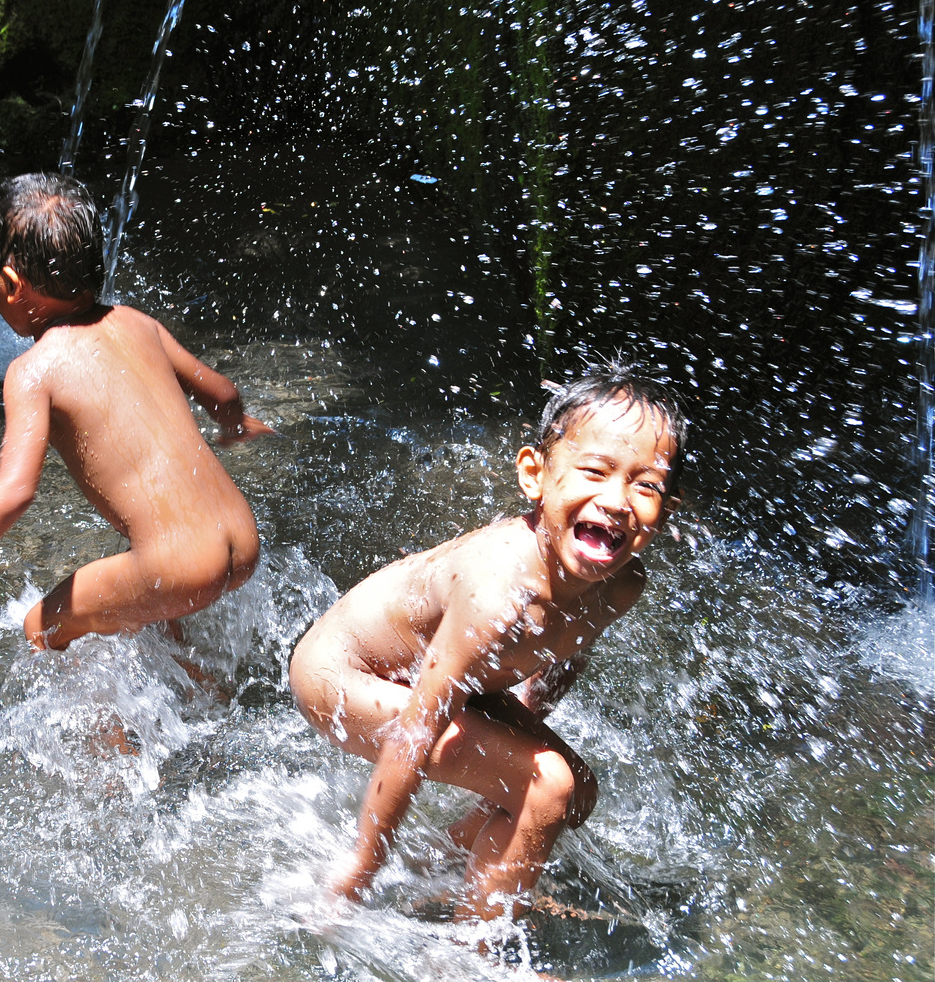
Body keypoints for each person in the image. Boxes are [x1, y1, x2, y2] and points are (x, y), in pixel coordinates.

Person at [289, 366, 686, 919]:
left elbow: (568, 645)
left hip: (441, 675)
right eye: (594, 471)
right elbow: (415, 730)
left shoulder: (620, 585)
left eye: (646, 485)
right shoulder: (498, 593)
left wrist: (527, 720)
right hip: (342, 676)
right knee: (547, 784)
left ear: (666, 508)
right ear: (535, 476)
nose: (618, 500)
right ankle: (472, 955)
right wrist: (363, 864)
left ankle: (448, 861)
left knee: (576, 793)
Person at [0, 172, 273, 649]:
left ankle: (114, 727)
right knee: (137, 603)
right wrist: (236, 426)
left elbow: (13, 492)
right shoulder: (136, 322)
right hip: (241, 537)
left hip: (177, 565)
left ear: (10, 283)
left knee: (42, 628)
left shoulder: (33, 370)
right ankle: (198, 689)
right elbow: (222, 393)